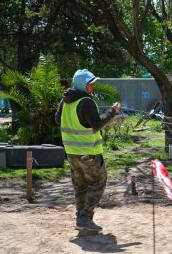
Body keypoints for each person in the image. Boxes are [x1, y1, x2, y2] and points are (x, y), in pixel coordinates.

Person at [55, 69, 121, 232]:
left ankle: (82, 218)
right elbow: (97, 124)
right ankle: (85, 216)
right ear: (83, 85)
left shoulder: (65, 101)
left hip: (71, 152)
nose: (93, 85)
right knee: (98, 181)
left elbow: (57, 119)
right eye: (90, 83)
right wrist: (112, 111)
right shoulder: (86, 102)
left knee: (80, 184)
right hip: (88, 152)